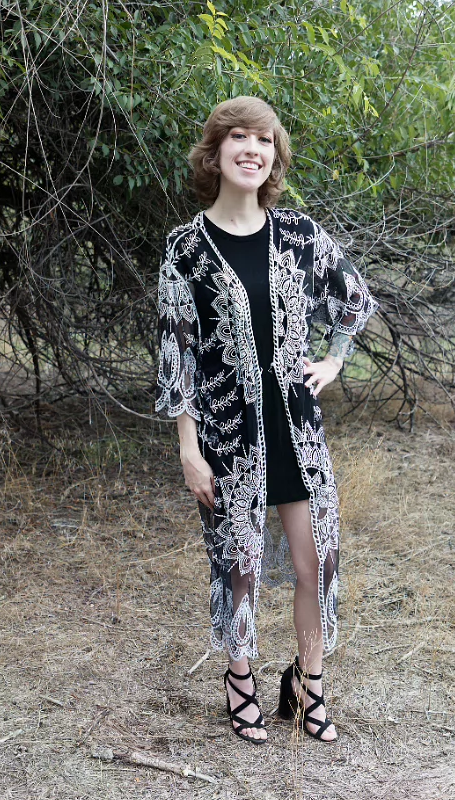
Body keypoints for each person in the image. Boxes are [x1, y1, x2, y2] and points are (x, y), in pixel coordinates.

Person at [155, 96, 378, 745]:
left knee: (315, 565)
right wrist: (188, 449)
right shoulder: (186, 250)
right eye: (239, 137)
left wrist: (334, 359)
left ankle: (307, 686)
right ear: (216, 151)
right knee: (240, 567)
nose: (252, 149)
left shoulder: (300, 235)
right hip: (227, 439)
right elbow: (177, 354)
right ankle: (240, 682)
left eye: (264, 139)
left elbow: (355, 299)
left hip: (298, 433)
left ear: (273, 155)